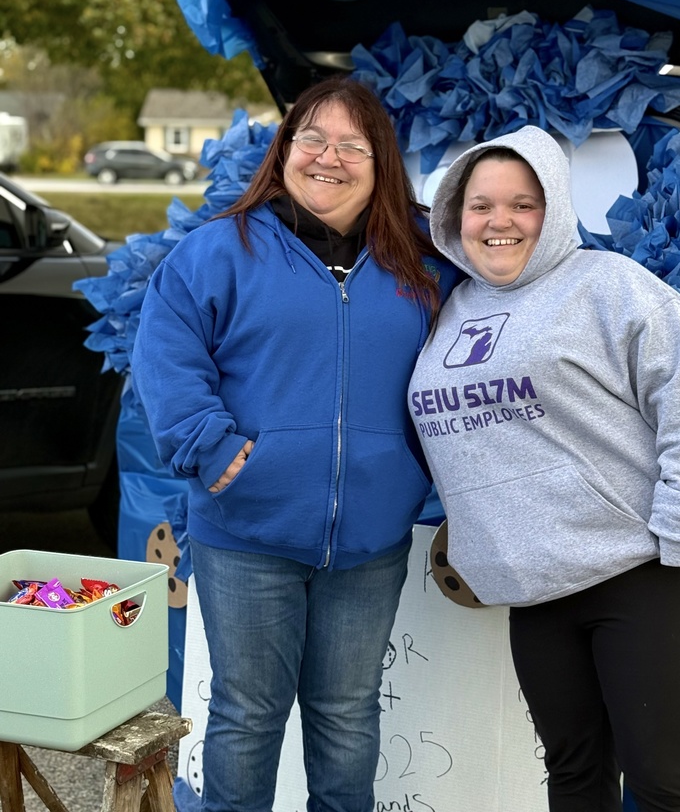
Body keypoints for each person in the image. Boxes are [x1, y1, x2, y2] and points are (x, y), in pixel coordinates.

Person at [131, 76, 460, 812]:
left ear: (381, 164)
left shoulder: (423, 264)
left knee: (347, 718)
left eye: (353, 144)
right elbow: (168, 351)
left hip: (371, 542)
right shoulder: (222, 251)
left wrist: (429, 481)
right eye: (311, 138)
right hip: (245, 531)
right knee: (247, 720)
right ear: (283, 152)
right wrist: (211, 451)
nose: (329, 157)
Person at [408, 125, 680, 812]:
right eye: (480, 205)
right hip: (538, 588)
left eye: (522, 203)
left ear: (555, 211)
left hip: (647, 570)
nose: (499, 221)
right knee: (574, 778)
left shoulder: (612, 287)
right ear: (453, 215)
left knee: (665, 780)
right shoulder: (451, 311)